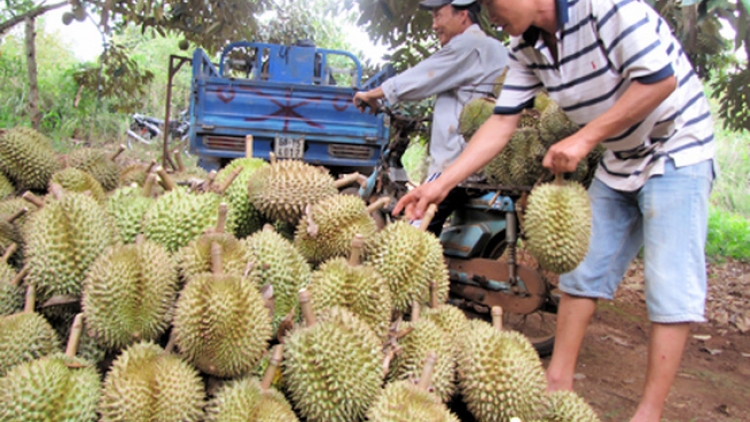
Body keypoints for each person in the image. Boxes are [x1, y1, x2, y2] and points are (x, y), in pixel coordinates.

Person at [393, 0, 715, 421]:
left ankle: (649, 412)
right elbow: (502, 121)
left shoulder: (609, 9)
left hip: (678, 146)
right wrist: (441, 184)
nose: (487, 14)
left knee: (668, 283)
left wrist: (585, 139)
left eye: (490, 2)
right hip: (620, 157)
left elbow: (659, 82)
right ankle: (556, 382)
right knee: (582, 271)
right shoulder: (524, 46)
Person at [353, 0, 509, 236]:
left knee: (411, 238)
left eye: (438, 16)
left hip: (456, 163)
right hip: (487, 159)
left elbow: (420, 78)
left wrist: (371, 94)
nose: (434, 25)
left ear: (463, 15)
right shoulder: (495, 47)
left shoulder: (469, 45)